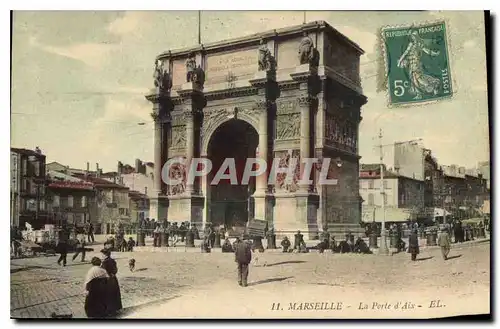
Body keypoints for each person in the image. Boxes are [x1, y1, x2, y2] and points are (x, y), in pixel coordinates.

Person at [100, 248, 123, 317]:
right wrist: (113, 274)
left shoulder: (105, 262)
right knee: (114, 294)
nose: (101, 256)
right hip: (113, 279)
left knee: (108, 295)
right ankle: (115, 309)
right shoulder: (112, 260)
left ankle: (109, 310)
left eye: (102, 254)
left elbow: (103, 272)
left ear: (105, 254)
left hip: (107, 280)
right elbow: (115, 270)